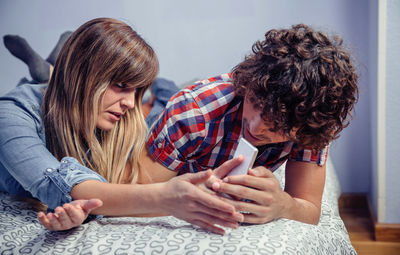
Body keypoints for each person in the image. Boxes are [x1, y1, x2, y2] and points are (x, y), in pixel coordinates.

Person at [0, 17, 244, 235]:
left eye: (136, 89)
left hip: (71, 92)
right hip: (56, 97)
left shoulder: (123, 119)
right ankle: (49, 72)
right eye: (121, 85)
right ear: (82, 75)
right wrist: (165, 197)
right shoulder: (11, 114)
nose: (129, 103)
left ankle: (54, 71)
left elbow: (106, 190)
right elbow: (52, 183)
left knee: (165, 101)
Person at [144, 24, 359, 225]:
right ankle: (160, 90)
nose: (255, 128)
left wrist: (284, 205)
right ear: (248, 84)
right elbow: (141, 192)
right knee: (157, 105)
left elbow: (309, 209)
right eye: (255, 103)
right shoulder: (192, 110)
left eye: (277, 126)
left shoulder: (311, 121)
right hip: (160, 119)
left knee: (167, 94)